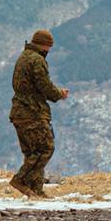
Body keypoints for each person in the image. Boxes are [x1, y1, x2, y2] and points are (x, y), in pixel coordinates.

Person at [8, 29, 69, 198]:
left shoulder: (23, 57)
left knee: (32, 152)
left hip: (18, 112)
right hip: (32, 112)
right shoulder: (37, 60)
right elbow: (45, 86)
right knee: (45, 149)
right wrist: (59, 94)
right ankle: (20, 180)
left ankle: (36, 190)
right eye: (49, 47)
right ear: (45, 45)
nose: (49, 51)